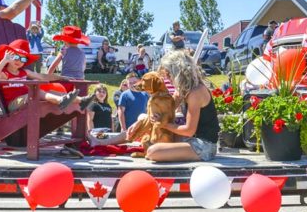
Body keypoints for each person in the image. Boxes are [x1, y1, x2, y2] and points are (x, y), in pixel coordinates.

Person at [90, 51, 219, 162]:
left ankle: (103, 142)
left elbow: (189, 130)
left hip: (204, 146)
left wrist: (163, 124)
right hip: (190, 139)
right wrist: (145, 120)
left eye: (169, 74)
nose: (168, 78)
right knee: (144, 120)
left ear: (177, 72)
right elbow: (167, 110)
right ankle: (102, 142)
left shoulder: (196, 92)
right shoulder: (183, 90)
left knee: (153, 152)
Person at [0, 39, 94, 112]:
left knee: (52, 92)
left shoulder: (24, 72)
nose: (19, 61)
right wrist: (3, 61)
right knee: (37, 93)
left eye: (23, 59)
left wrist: (60, 77)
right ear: (9, 57)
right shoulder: (4, 74)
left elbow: (43, 77)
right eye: (16, 57)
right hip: (14, 104)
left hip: (28, 99)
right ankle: (61, 101)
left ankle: (82, 101)